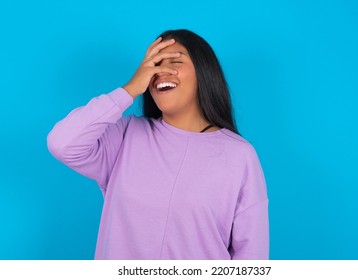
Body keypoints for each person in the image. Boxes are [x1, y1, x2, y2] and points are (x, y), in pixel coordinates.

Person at [47, 29, 269, 260]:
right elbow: (62, 143)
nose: (162, 72)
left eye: (175, 61)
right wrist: (130, 88)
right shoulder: (125, 136)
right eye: (155, 64)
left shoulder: (239, 156)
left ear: (203, 72)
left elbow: (251, 256)